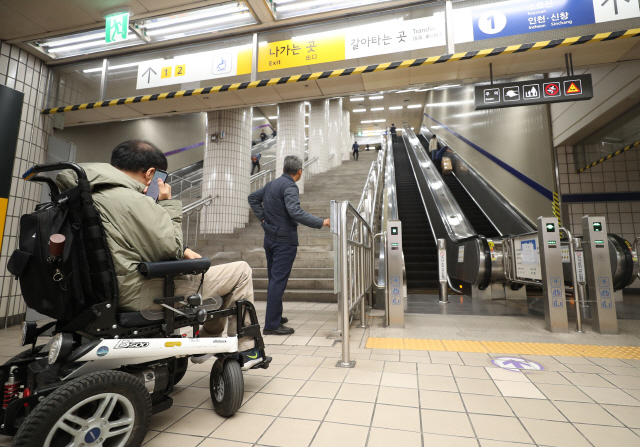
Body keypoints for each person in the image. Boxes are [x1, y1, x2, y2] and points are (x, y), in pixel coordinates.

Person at [55, 140, 263, 368]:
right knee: (240, 271)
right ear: (151, 173)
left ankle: (206, 339)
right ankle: (247, 349)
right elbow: (170, 249)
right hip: (140, 293)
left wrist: (180, 248)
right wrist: (166, 203)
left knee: (217, 279)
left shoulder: (84, 195)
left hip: (96, 293)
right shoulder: (131, 200)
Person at [248, 155, 330, 335]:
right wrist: (321, 222)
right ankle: (271, 325)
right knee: (278, 281)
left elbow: (253, 198)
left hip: (270, 239)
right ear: (299, 171)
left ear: (284, 169)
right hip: (284, 241)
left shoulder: (271, 184)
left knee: (274, 279)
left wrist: (263, 218)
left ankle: (275, 315)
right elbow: (295, 212)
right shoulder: (290, 186)